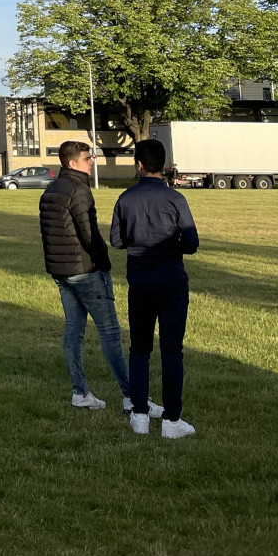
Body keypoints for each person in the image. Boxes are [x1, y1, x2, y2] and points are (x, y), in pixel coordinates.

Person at [39, 139, 146, 417]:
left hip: (61, 272)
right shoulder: (79, 190)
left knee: (73, 331)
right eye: (88, 158)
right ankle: (132, 397)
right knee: (110, 334)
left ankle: (80, 392)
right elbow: (89, 235)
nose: (92, 162)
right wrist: (103, 262)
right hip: (86, 271)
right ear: (72, 163)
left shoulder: (51, 189)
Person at [112, 138, 200, 439]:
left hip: (140, 281)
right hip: (171, 280)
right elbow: (191, 242)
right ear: (163, 165)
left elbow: (117, 240)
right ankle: (172, 420)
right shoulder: (175, 199)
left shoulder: (125, 198)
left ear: (139, 165)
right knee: (172, 350)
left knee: (139, 348)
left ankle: (139, 414)